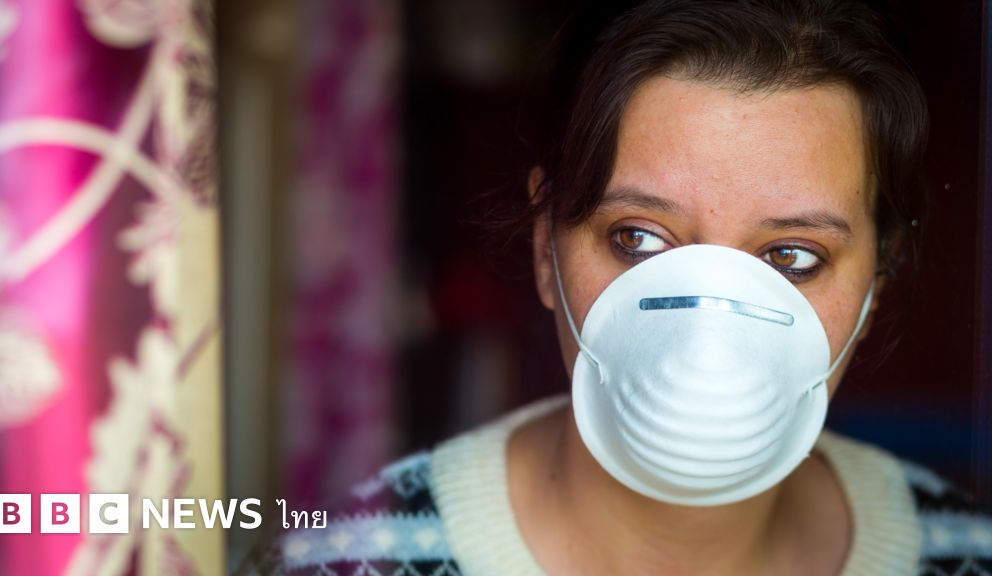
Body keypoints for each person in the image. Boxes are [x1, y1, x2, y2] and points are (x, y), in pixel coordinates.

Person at [241, 1, 992, 574]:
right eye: (638, 238)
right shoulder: (349, 560)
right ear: (546, 250)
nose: (707, 331)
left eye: (792, 256)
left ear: (877, 282)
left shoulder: (962, 553)